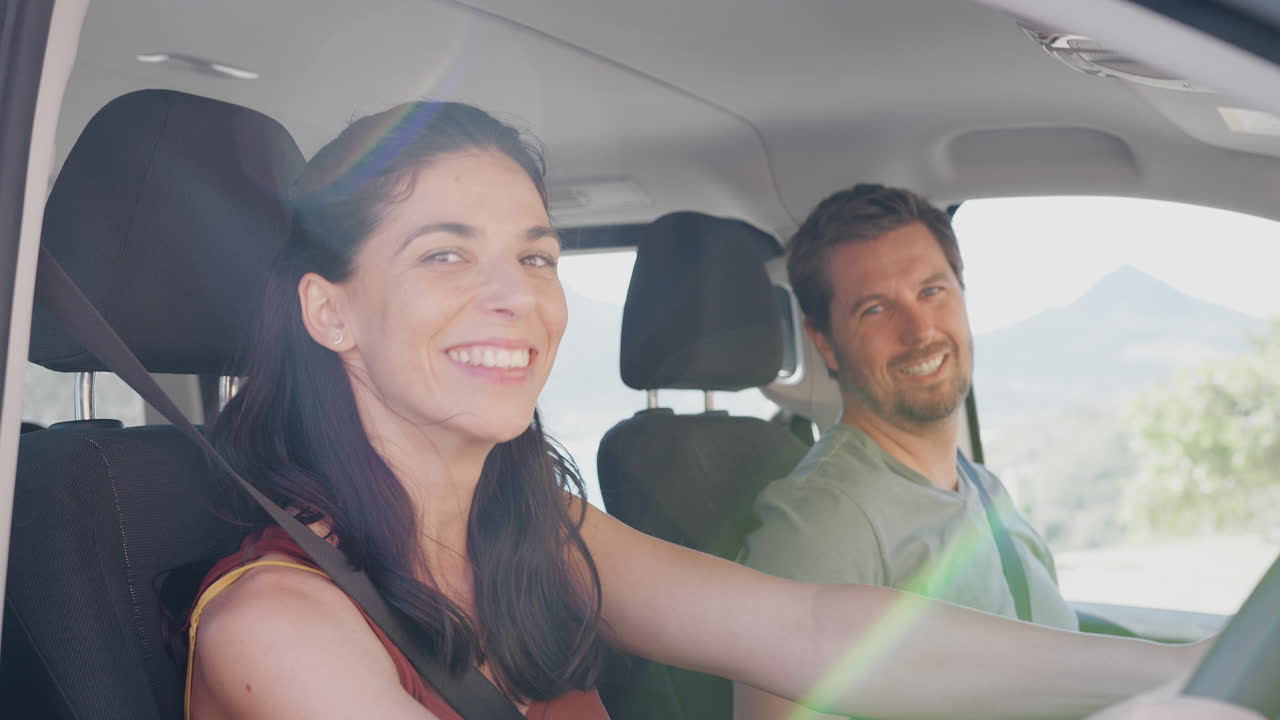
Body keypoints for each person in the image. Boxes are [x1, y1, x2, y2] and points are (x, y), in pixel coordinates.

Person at [182, 102, 1256, 720]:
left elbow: (808, 627)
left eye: (535, 253)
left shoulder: (532, 528)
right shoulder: (280, 625)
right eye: (446, 253)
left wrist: (1190, 673)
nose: (515, 295)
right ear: (330, 312)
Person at [735, 184, 1078, 719]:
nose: (919, 332)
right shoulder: (822, 522)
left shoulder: (983, 489)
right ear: (825, 341)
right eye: (875, 309)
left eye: (932, 291)